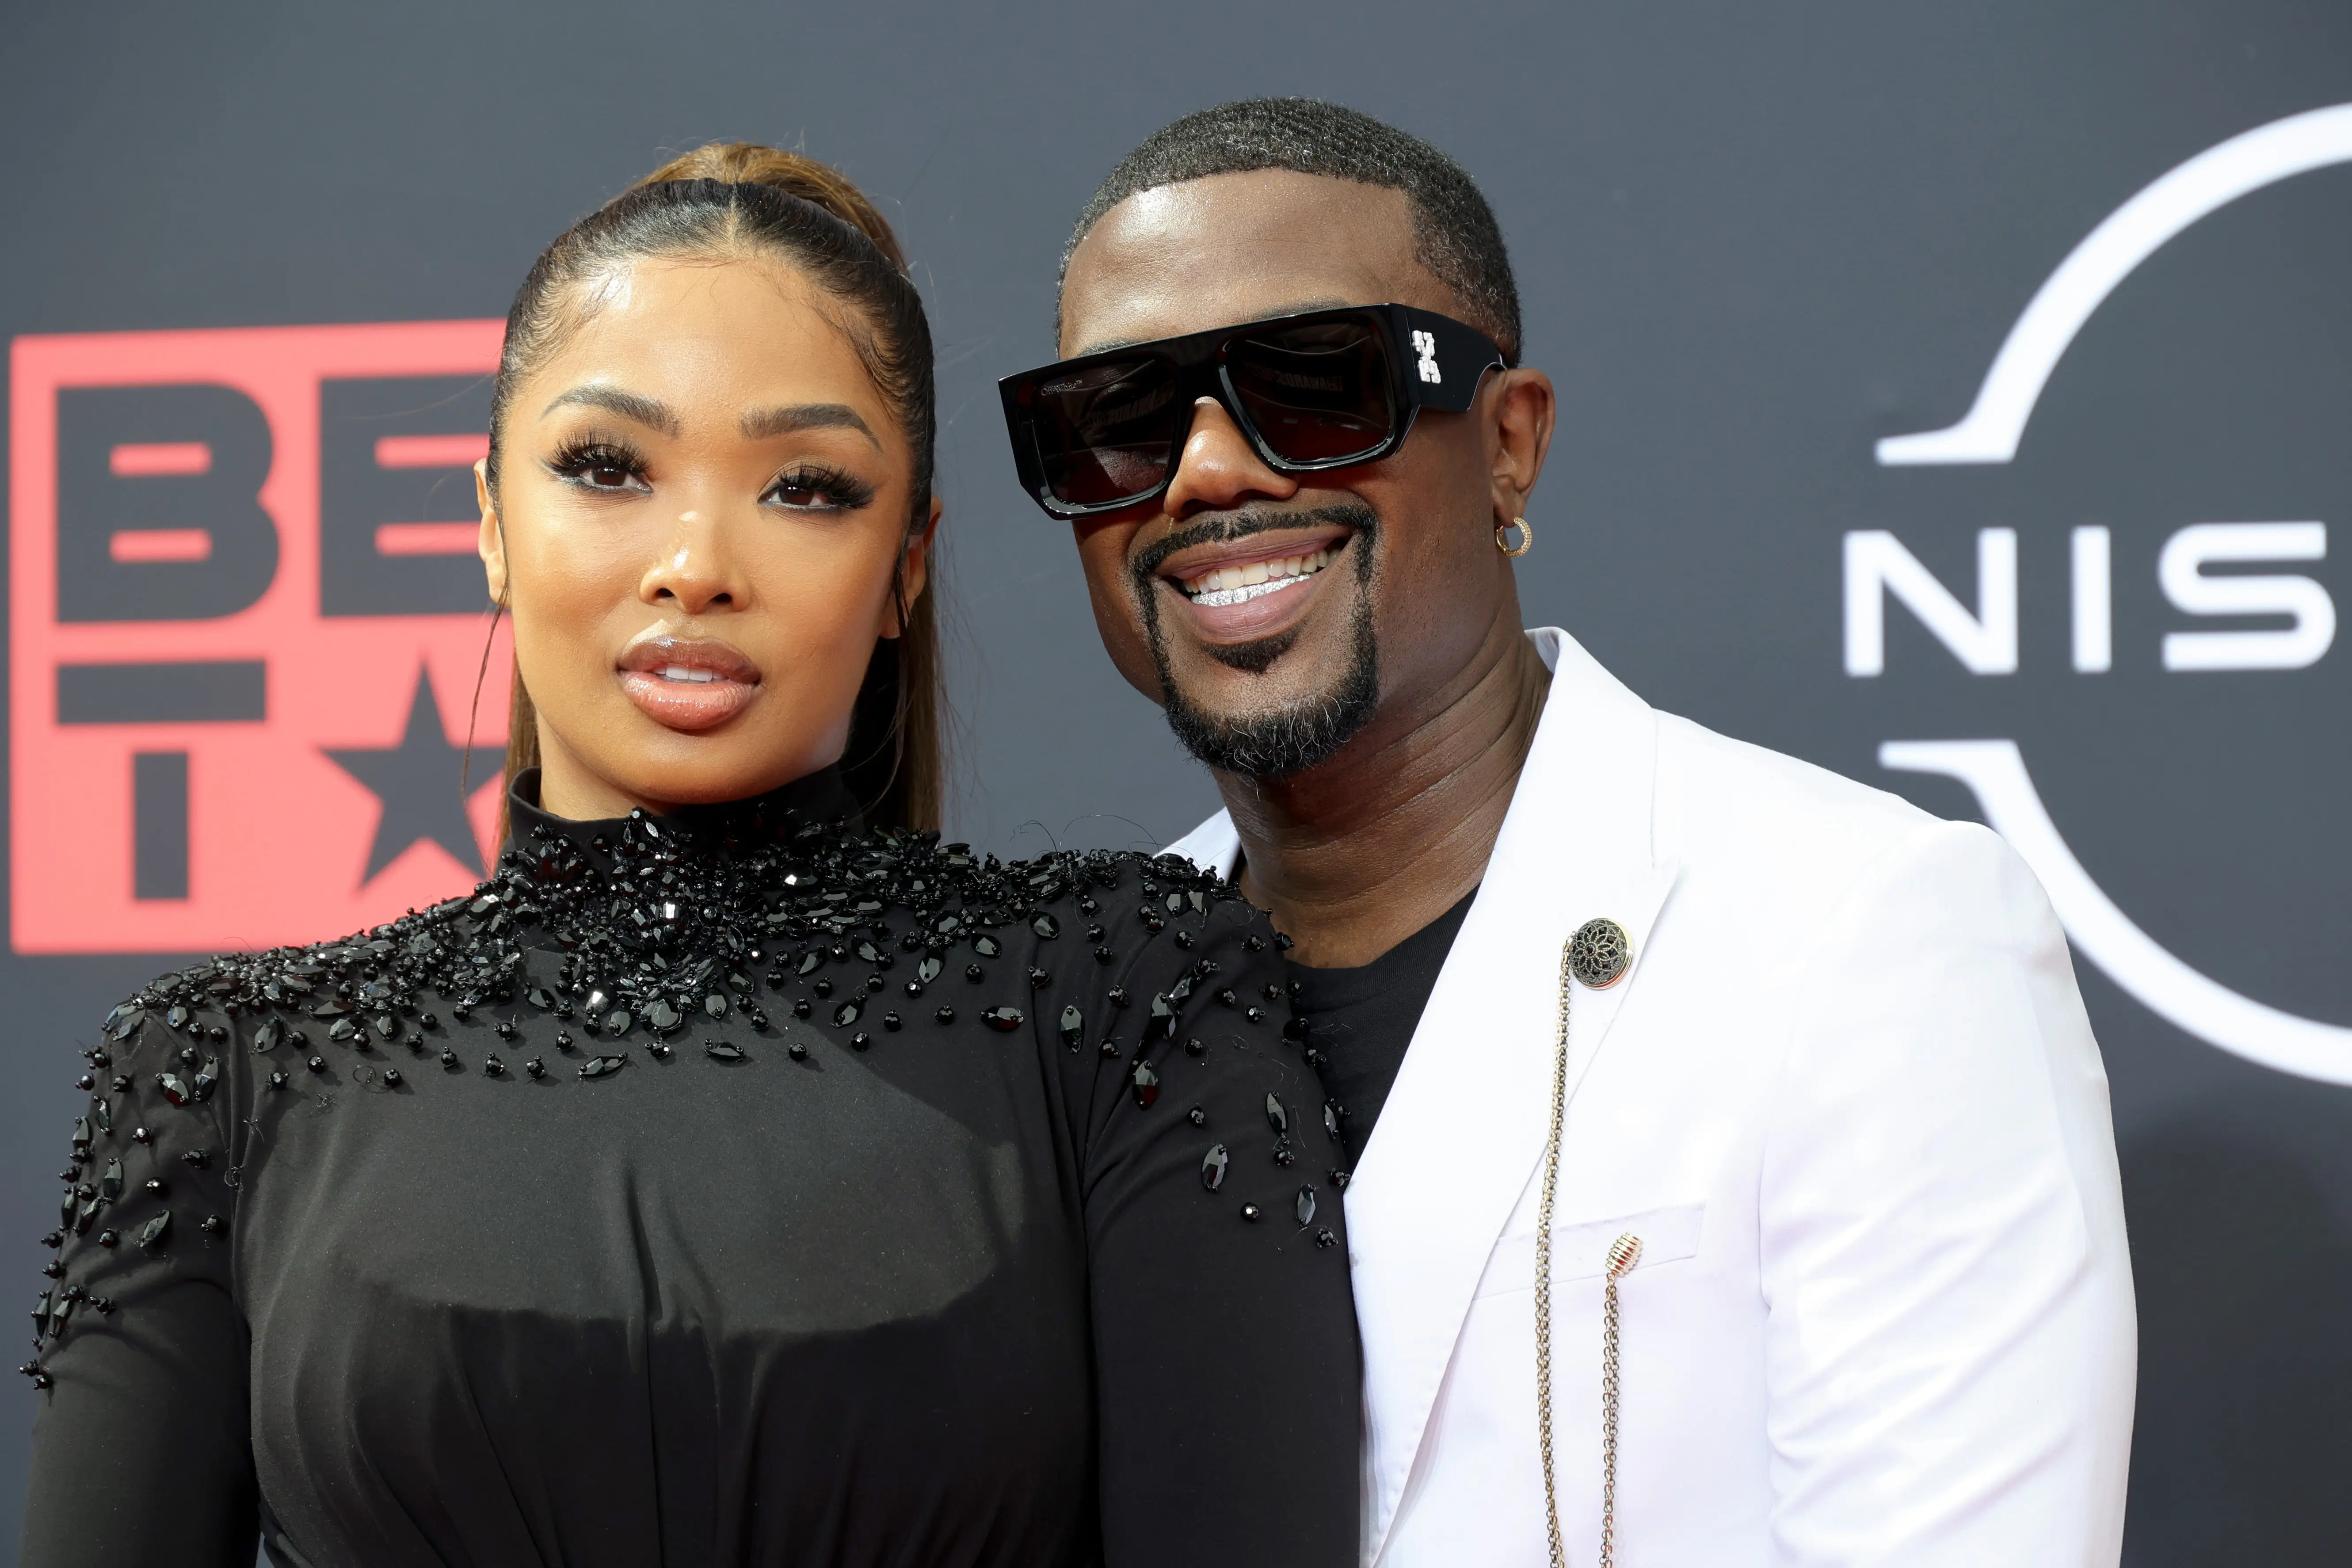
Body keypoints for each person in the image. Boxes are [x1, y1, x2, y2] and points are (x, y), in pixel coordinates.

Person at [21, 143, 1358, 1568]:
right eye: (608, 467)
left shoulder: (1129, 985)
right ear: (487, 518)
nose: (695, 561)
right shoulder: (221, 1071)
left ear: (907, 564)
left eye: (807, 488)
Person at [1006, 99, 2136, 1567]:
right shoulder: (1072, 1013)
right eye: (1124, 423)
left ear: (1509, 444)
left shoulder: (1866, 935)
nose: (1209, 472)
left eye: (1315, 384)